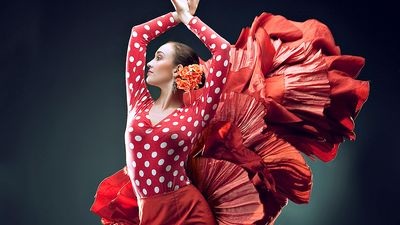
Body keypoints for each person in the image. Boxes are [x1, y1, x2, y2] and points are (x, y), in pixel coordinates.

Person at [90, 0, 371, 224]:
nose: (150, 62)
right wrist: (176, 15)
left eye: (159, 57)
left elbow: (223, 51)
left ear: (177, 71)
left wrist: (191, 21)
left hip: (188, 213)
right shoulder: (138, 103)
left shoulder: (195, 114)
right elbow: (137, 36)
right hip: (149, 213)